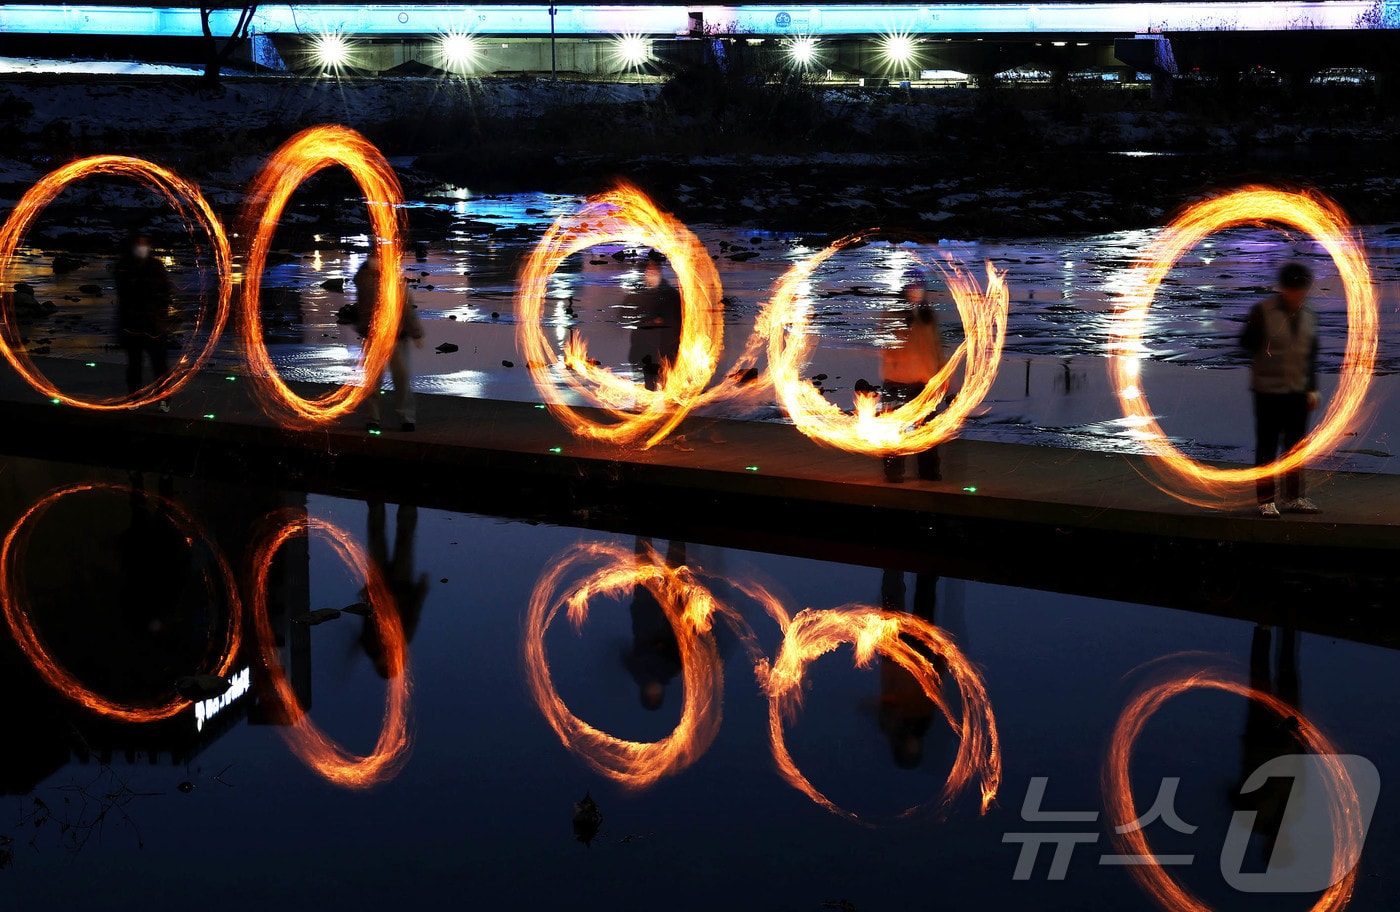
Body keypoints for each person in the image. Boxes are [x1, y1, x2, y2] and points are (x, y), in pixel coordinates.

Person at [1240, 262, 1321, 517]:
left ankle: (1294, 498)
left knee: (1295, 448)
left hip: (1297, 391)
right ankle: (1266, 500)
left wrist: (1312, 388)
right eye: (1293, 288)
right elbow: (1245, 343)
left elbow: (1310, 356)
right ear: (1284, 288)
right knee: (1268, 445)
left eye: (1302, 289)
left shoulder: (1309, 316)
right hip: (1268, 392)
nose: (1298, 294)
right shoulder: (1263, 312)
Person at [881, 270, 946, 483]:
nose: (916, 291)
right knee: (895, 430)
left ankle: (928, 473)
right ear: (905, 289)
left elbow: (936, 348)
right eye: (912, 287)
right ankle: (894, 473)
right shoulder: (893, 314)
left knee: (927, 431)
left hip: (924, 384)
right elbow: (887, 346)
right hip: (897, 383)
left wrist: (941, 375)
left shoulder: (929, 316)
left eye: (919, 287)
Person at [354, 246, 424, 432]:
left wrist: (415, 332)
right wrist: (416, 333)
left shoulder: (367, 278)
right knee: (396, 379)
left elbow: (404, 307)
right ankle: (403, 418)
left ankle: (378, 419)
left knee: (378, 380)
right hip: (387, 338)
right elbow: (406, 307)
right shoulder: (380, 279)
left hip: (383, 337)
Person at [623, 538, 685, 711]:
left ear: (644, 692)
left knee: (643, 563)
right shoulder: (672, 670)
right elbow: (681, 645)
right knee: (675, 565)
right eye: (656, 696)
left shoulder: (638, 670)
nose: (654, 691)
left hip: (645, 610)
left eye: (650, 695)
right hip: (673, 612)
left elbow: (628, 657)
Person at [113, 233, 173, 411]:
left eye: (145, 244)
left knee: (160, 367)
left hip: (154, 325)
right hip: (133, 326)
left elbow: (165, 291)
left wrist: (163, 309)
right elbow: (125, 293)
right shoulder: (124, 267)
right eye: (139, 244)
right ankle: (134, 399)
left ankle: (163, 401)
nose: (143, 247)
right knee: (134, 365)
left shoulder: (155, 266)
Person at [627, 258, 683, 392]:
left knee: (668, 391)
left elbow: (680, 320)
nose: (652, 273)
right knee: (646, 393)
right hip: (644, 353)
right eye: (649, 270)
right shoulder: (636, 295)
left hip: (666, 353)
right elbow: (623, 316)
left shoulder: (671, 295)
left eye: (655, 270)